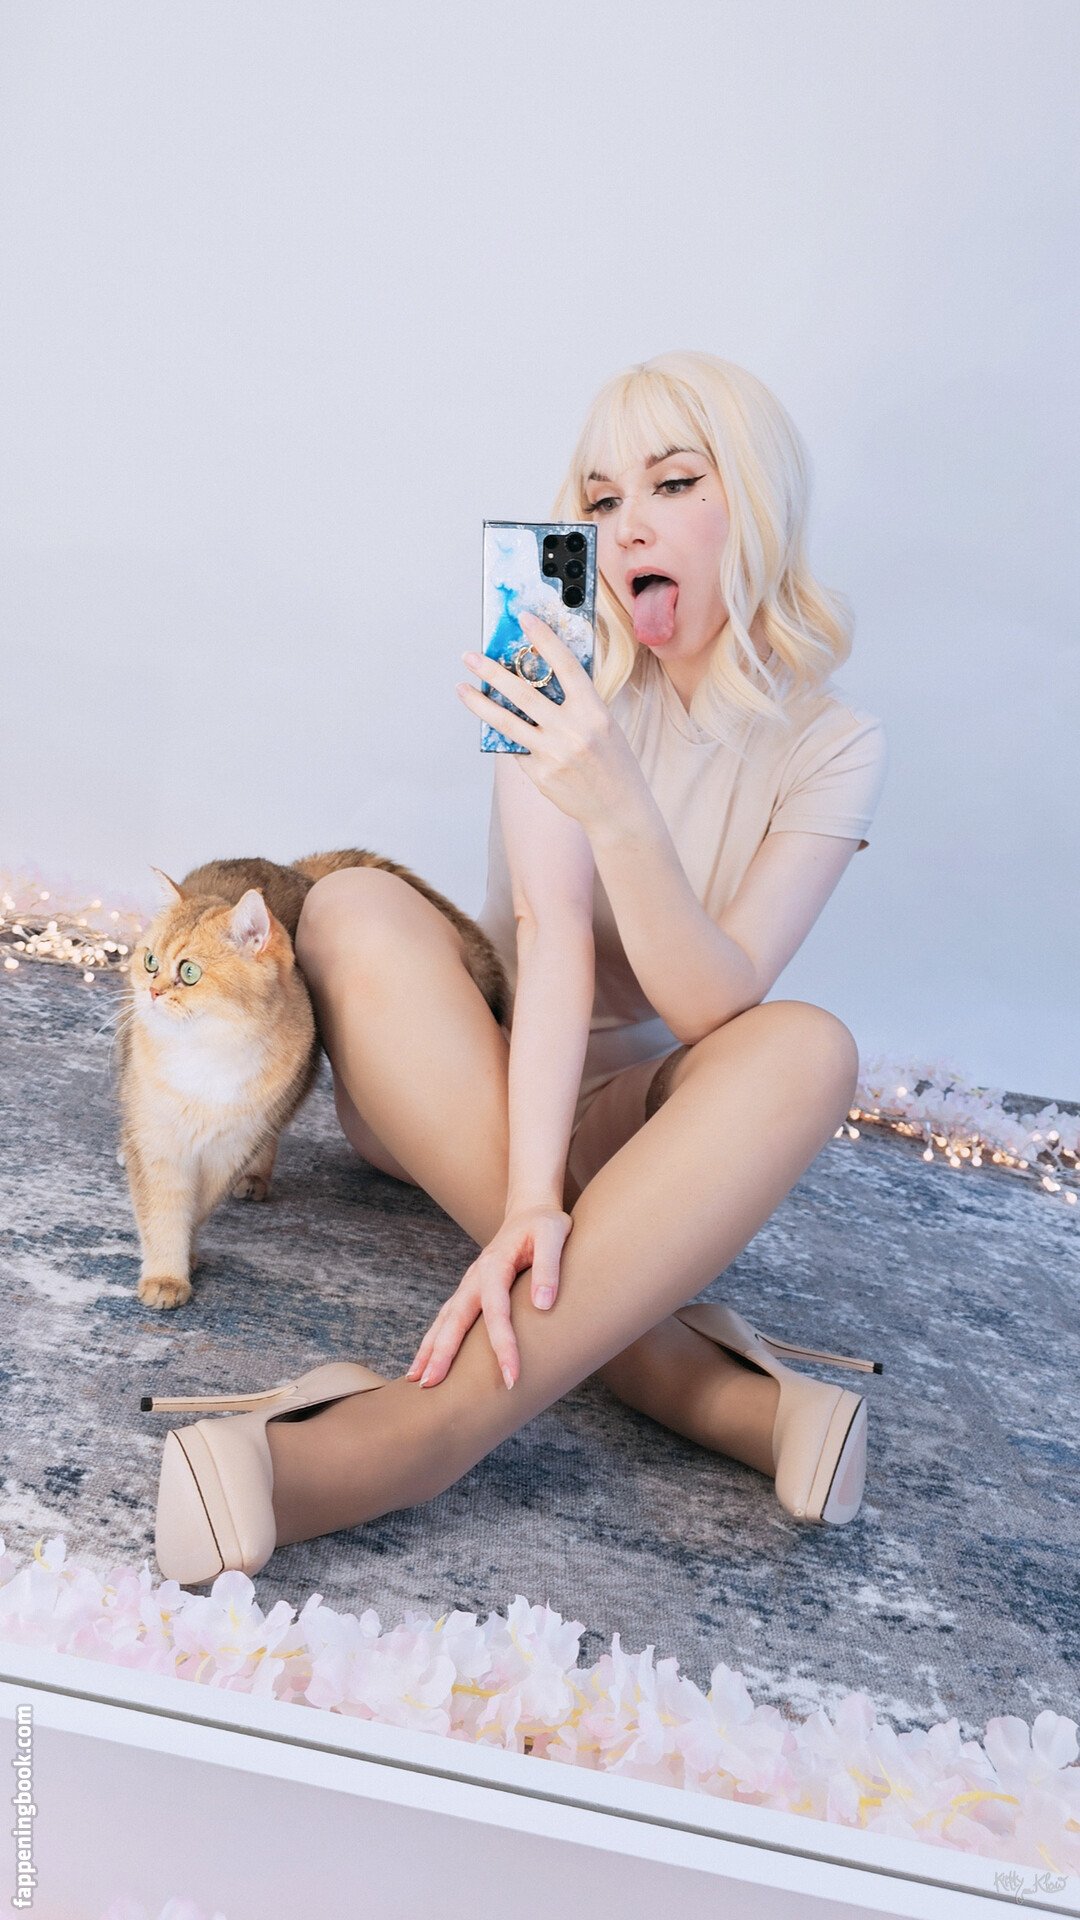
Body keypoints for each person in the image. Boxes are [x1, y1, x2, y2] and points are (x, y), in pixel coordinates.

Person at [146, 349, 889, 1585]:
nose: (627, 523)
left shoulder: (835, 746)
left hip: (649, 1133)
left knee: (808, 1049)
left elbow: (714, 1000)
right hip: (467, 1073)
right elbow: (547, 934)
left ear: (756, 503)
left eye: (673, 483)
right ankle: (688, 1375)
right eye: (601, 499)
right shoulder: (554, 665)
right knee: (351, 907)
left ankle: (423, 1429)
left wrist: (622, 807)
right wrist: (537, 1195)